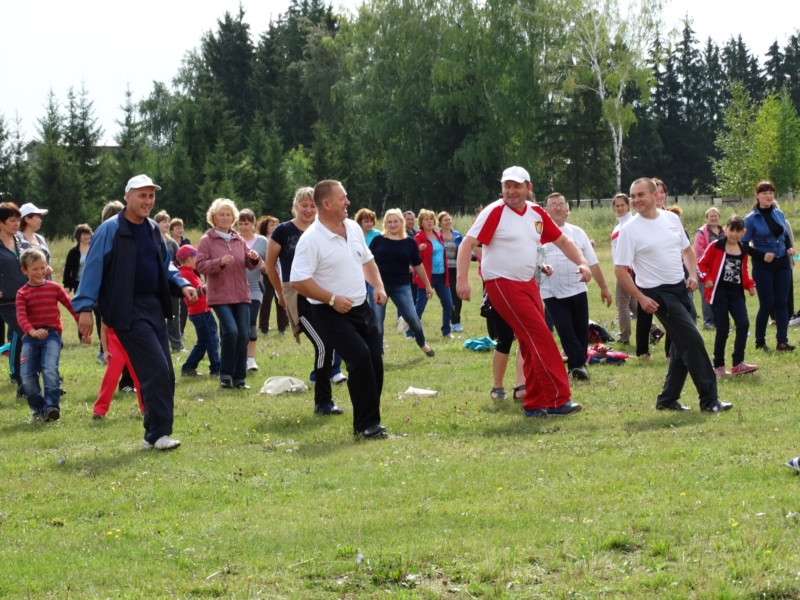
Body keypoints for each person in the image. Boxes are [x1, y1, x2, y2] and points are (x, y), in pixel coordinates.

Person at [73, 174, 197, 450]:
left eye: (151, 196)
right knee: (155, 368)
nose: (148, 201)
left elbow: (166, 266)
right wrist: (83, 309)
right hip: (126, 310)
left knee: (165, 372)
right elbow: (93, 269)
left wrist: (182, 283)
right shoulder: (110, 229)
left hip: (154, 306)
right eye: (142, 195)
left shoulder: (154, 229)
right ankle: (157, 434)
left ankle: (154, 435)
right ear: (127, 197)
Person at [456, 166, 589, 418]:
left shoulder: (536, 213)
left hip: (529, 283)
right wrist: (462, 280)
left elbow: (562, 240)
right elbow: (467, 244)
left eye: (517, 186)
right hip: (502, 284)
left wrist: (582, 262)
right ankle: (557, 400)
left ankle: (534, 403)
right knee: (542, 338)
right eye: (507, 185)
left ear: (529, 188)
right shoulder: (495, 211)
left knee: (531, 343)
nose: (511, 191)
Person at [614, 177, 731, 413]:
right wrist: (641, 297)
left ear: (654, 194)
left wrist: (691, 274)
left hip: (681, 288)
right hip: (657, 294)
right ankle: (710, 401)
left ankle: (667, 399)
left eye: (640, 195)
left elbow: (686, 250)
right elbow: (620, 270)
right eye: (632, 196)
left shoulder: (671, 219)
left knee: (681, 345)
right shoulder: (629, 230)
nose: (635, 200)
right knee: (693, 341)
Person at [291, 180, 389, 438]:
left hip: (360, 307)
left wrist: (378, 286)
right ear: (326, 204)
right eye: (343, 198)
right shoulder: (311, 239)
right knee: (360, 358)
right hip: (329, 311)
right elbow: (300, 280)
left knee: (375, 362)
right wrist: (332, 298)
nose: (348, 202)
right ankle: (366, 425)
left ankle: (369, 419)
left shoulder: (353, 227)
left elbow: (366, 260)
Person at [266, 188, 346, 415]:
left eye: (313, 206)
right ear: (295, 206)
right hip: (297, 292)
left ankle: (325, 400)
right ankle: (322, 402)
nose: (309, 210)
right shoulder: (283, 231)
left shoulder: (323, 229)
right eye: (304, 205)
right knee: (322, 343)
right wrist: (281, 293)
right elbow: (270, 265)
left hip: (322, 292)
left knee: (328, 342)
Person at [539, 193, 613, 381]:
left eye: (561, 204)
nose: (557, 207)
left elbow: (593, 263)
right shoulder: (538, 233)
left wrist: (603, 287)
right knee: (565, 330)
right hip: (551, 292)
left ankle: (576, 368)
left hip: (578, 289)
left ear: (567, 210)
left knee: (580, 332)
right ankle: (580, 364)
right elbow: (531, 258)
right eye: (552, 204)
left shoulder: (578, 232)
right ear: (545, 210)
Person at [196, 199, 261, 389]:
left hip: (241, 294)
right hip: (219, 295)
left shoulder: (238, 239)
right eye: (221, 214)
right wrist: (220, 262)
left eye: (228, 215)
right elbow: (200, 265)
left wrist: (254, 259)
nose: (225, 218)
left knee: (243, 334)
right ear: (213, 218)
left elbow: (249, 262)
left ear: (233, 218)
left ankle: (239, 378)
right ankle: (225, 374)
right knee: (231, 331)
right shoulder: (207, 240)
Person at [16, 248, 79, 422]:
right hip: (30, 337)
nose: (39, 272)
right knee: (27, 376)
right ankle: (39, 409)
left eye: (42, 267)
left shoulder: (54, 288)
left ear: (47, 267)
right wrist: (32, 331)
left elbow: (70, 305)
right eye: (34, 269)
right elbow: (21, 316)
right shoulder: (22, 293)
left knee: (49, 368)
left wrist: (81, 324)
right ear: (25, 271)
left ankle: (52, 407)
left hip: (52, 335)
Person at [369, 208, 435, 357]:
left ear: (401, 223)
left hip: (401, 286)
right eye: (390, 222)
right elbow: (366, 262)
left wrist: (428, 286)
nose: (393, 225)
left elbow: (418, 265)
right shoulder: (378, 240)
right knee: (377, 322)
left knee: (413, 318)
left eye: (396, 221)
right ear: (386, 223)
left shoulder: (409, 243)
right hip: (379, 287)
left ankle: (422, 343)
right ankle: (378, 352)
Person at [697, 215, 758, 376]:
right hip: (719, 293)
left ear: (743, 232)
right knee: (723, 329)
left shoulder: (743, 250)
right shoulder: (716, 245)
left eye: (738, 231)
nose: (734, 234)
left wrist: (750, 285)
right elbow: (701, 265)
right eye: (732, 230)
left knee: (743, 324)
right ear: (726, 229)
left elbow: (742, 272)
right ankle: (718, 366)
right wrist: (708, 278)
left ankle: (738, 363)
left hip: (736, 293)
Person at [742, 181, 795, 352]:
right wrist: (761, 255)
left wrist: (789, 249)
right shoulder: (750, 219)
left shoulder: (779, 213)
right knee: (767, 303)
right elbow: (743, 244)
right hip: (763, 265)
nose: (768, 196)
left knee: (782, 303)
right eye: (764, 193)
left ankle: (782, 342)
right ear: (757, 196)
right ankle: (760, 341)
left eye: (771, 193)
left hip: (782, 264)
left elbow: (785, 235)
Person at [634, 178, 668, 357]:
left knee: (673, 312)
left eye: (663, 192)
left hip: (668, 273)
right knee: (645, 311)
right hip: (646, 274)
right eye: (658, 192)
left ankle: (671, 350)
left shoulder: (671, 217)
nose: (660, 195)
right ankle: (642, 350)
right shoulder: (638, 221)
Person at [176, 245, 220, 378]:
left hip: (201, 312)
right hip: (200, 312)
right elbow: (194, 293)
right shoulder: (185, 274)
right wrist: (208, 287)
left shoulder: (188, 272)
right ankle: (216, 368)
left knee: (203, 342)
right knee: (212, 340)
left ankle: (189, 367)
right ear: (190, 259)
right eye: (197, 258)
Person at [0, 202, 28, 396]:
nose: (16, 223)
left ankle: (20, 378)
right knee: (29, 335)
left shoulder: (21, 242)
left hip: (24, 298)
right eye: (12, 220)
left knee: (21, 337)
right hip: (6, 302)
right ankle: (25, 381)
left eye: (18, 220)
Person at [413, 209, 454, 338]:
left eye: (431, 218)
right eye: (426, 219)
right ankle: (411, 331)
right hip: (426, 277)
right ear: (421, 222)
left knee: (448, 304)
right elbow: (413, 257)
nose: (429, 221)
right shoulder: (418, 237)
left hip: (441, 275)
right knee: (420, 306)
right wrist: (419, 250)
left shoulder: (439, 235)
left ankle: (446, 331)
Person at [236, 208, 268, 371]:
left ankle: (250, 358)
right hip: (236, 289)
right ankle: (242, 358)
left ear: (253, 223)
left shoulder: (263, 242)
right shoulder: (234, 240)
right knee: (241, 325)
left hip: (255, 287)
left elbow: (271, 265)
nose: (243, 227)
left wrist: (264, 268)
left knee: (250, 319)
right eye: (240, 224)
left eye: (246, 224)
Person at [93, 321, 145, 419]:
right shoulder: (108, 307)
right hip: (115, 345)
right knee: (110, 378)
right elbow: (104, 330)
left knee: (140, 378)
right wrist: (105, 351)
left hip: (132, 344)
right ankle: (99, 410)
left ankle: (146, 408)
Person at [154, 211, 184, 353]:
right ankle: (158, 344)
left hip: (171, 283)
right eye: (163, 222)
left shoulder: (172, 243)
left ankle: (177, 345)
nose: (167, 224)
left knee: (174, 313)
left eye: (168, 221)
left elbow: (181, 260)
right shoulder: (151, 239)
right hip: (156, 283)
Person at [610, 193, 638, 344]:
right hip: (622, 268)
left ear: (628, 206)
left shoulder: (631, 223)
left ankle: (624, 337)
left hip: (627, 269)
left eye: (622, 205)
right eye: (617, 205)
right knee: (633, 303)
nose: (620, 208)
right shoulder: (619, 224)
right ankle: (655, 330)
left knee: (622, 304)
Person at [694, 207, 726, 329]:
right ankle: (708, 321)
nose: (713, 218)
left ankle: (720, 319)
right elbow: (699, 251)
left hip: (722, 268)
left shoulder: (725, 231)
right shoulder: (701, 232)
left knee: (720, 295)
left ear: (719, 217)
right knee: (707, 294)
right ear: (707, 218)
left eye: (715, 215)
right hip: (705, 269)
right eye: (711, 216)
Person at [257, 215, 288, 335]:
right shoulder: (262, 240)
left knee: (281, 299)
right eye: (272, 225)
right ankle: (263, 327)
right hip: (266, 274)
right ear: (265, 227)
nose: (275, 227)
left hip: (280, 273)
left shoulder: (281, 238)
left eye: (276, 224)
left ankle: (282, 326)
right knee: (266, 301)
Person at [438, 212, 464, 332]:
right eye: (445, 220)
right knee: (451, 296)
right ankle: (453, 321)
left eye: (449, 220)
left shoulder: (457, 235)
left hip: (457, 269)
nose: (448, 222)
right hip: (443, 270)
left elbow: (464, 250)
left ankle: (455, 321)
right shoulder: (437, 236)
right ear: (440, 223)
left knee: (458, 295)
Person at [169, 218, 191, 334]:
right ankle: (173, 332)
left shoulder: (186, 241)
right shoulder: (168, 242)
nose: (180, 230)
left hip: (185, 275)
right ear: (171, 230)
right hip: (173, 276)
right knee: (174, 306)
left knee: (185, 304)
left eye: (181, 227)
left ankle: (181, 331)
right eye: (177, 228)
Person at [63, 224, 93, 294]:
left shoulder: (95, 249)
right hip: (79, 284)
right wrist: (66, 285)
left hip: (93, 283)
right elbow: (67, 269)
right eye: (84, 234)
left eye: (88, 234)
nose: (87, 236)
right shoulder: (73, 252)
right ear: (78, 236)